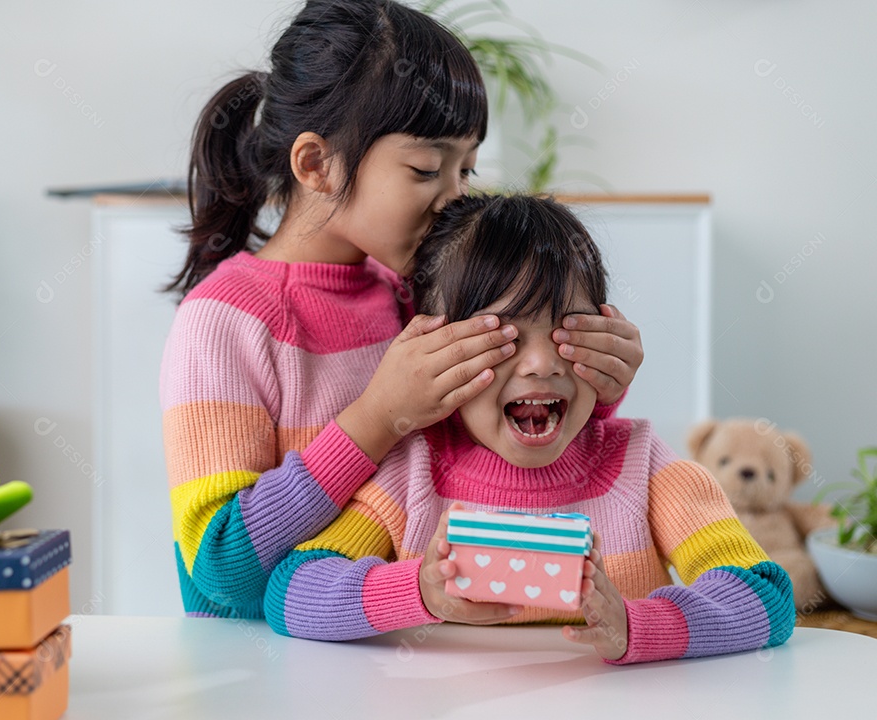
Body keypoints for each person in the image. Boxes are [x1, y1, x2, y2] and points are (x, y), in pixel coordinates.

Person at [161, 0, 644, 620]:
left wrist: (595, 383)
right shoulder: (225, 322)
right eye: (426, 168)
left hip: (396, 659)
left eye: (466, 169)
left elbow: (484, 435)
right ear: (317, 164)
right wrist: (379, 417)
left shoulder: (409, 290)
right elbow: (220, 568)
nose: (454, 198)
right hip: (263, 671)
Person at [264, 194, 794, 664]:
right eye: (503, 335)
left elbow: (765, 594)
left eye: (566, 329)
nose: (541, 363)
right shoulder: (414, 469)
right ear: (438, 354)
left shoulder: (642, 464)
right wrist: (419, 591)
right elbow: (291, 592)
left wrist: (637, 626)